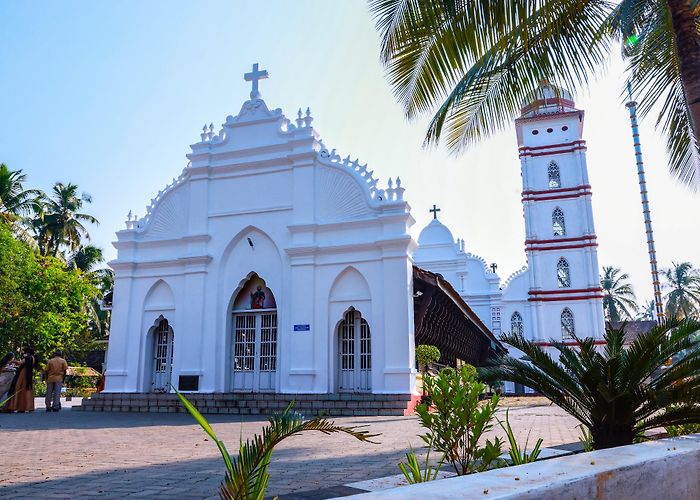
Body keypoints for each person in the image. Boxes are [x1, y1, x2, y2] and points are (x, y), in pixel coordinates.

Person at [6, 347, 36, 413]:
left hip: (23, 375)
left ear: (27, 352)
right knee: (27, 390)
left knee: (17, 388)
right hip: (28, 376)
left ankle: (14, 406)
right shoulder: (33, 358)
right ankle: (27, 406)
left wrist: (13, 361)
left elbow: (20, 363)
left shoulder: (28, 358)